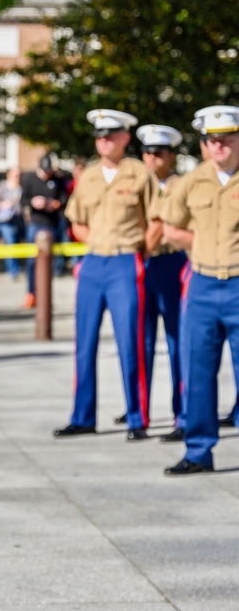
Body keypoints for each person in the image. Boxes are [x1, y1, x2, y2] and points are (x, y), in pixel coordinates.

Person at [53, 108, 157, 442]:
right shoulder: (91, 176)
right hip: (95, 261)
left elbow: (156, 220)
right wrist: (96, 241)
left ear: (126, 137)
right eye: (99, 135)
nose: (104, 140)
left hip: (126, 261)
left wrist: (140, 250)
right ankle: (82, 416)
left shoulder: (139, 174)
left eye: (111, 134)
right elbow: (77, 221)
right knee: (84, 343)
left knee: (131, 342)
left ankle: (137, 417)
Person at [159, 105, 239, 475]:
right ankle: (198, 451)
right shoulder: (193, 181)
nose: (218, 146)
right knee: (198, 373)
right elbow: (170, 227)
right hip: (204, 284)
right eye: (212, 140)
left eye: (226, 139)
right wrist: (202, 241)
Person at [136, 124, 188, 442]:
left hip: (170, 262)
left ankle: (182, 413)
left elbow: (159, 229)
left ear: (171, 156)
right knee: (139, 341)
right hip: (141, 263)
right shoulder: (135, 183)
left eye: (158, 153)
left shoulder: (181, 185)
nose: (152, 159)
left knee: (177, 342)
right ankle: (137, 412)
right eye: (147, 153)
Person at [20, 154, 68, 307]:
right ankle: (31, 293)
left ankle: (44, 294)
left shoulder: (57, 180)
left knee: (49, 262)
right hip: (36, 223)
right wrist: (34, 203)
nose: (47, 174)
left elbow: (64, 199)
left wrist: (55, 204)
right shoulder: (30, 179)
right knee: (32, 262)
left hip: (52, 223)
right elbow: (23, 200)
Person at [0, 165, 24, 281]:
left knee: (17, 243)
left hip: (18, 219)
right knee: (10, 243)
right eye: (15, 175)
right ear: (8, 175)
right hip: (5, 220)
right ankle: (13, 270)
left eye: (19, 175)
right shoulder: (2, 186)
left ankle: (17, 267)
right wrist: (2, 205)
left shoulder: (21, 188)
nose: (17, 177)